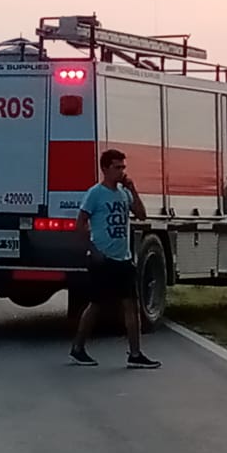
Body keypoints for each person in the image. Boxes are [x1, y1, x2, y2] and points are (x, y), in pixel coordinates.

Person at [70, 148, 161, 369]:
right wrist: (93, 249)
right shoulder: (95, 194)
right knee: (96, 305)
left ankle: (135, 353)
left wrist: (133, 189)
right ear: (105, 169)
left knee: (131, 306)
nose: (120, 172)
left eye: (123, 167)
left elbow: (141, 215)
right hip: (103, 258)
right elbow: (80, 223)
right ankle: (78, 348)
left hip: (123, 258)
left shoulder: (124, 193)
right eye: (116, 167)